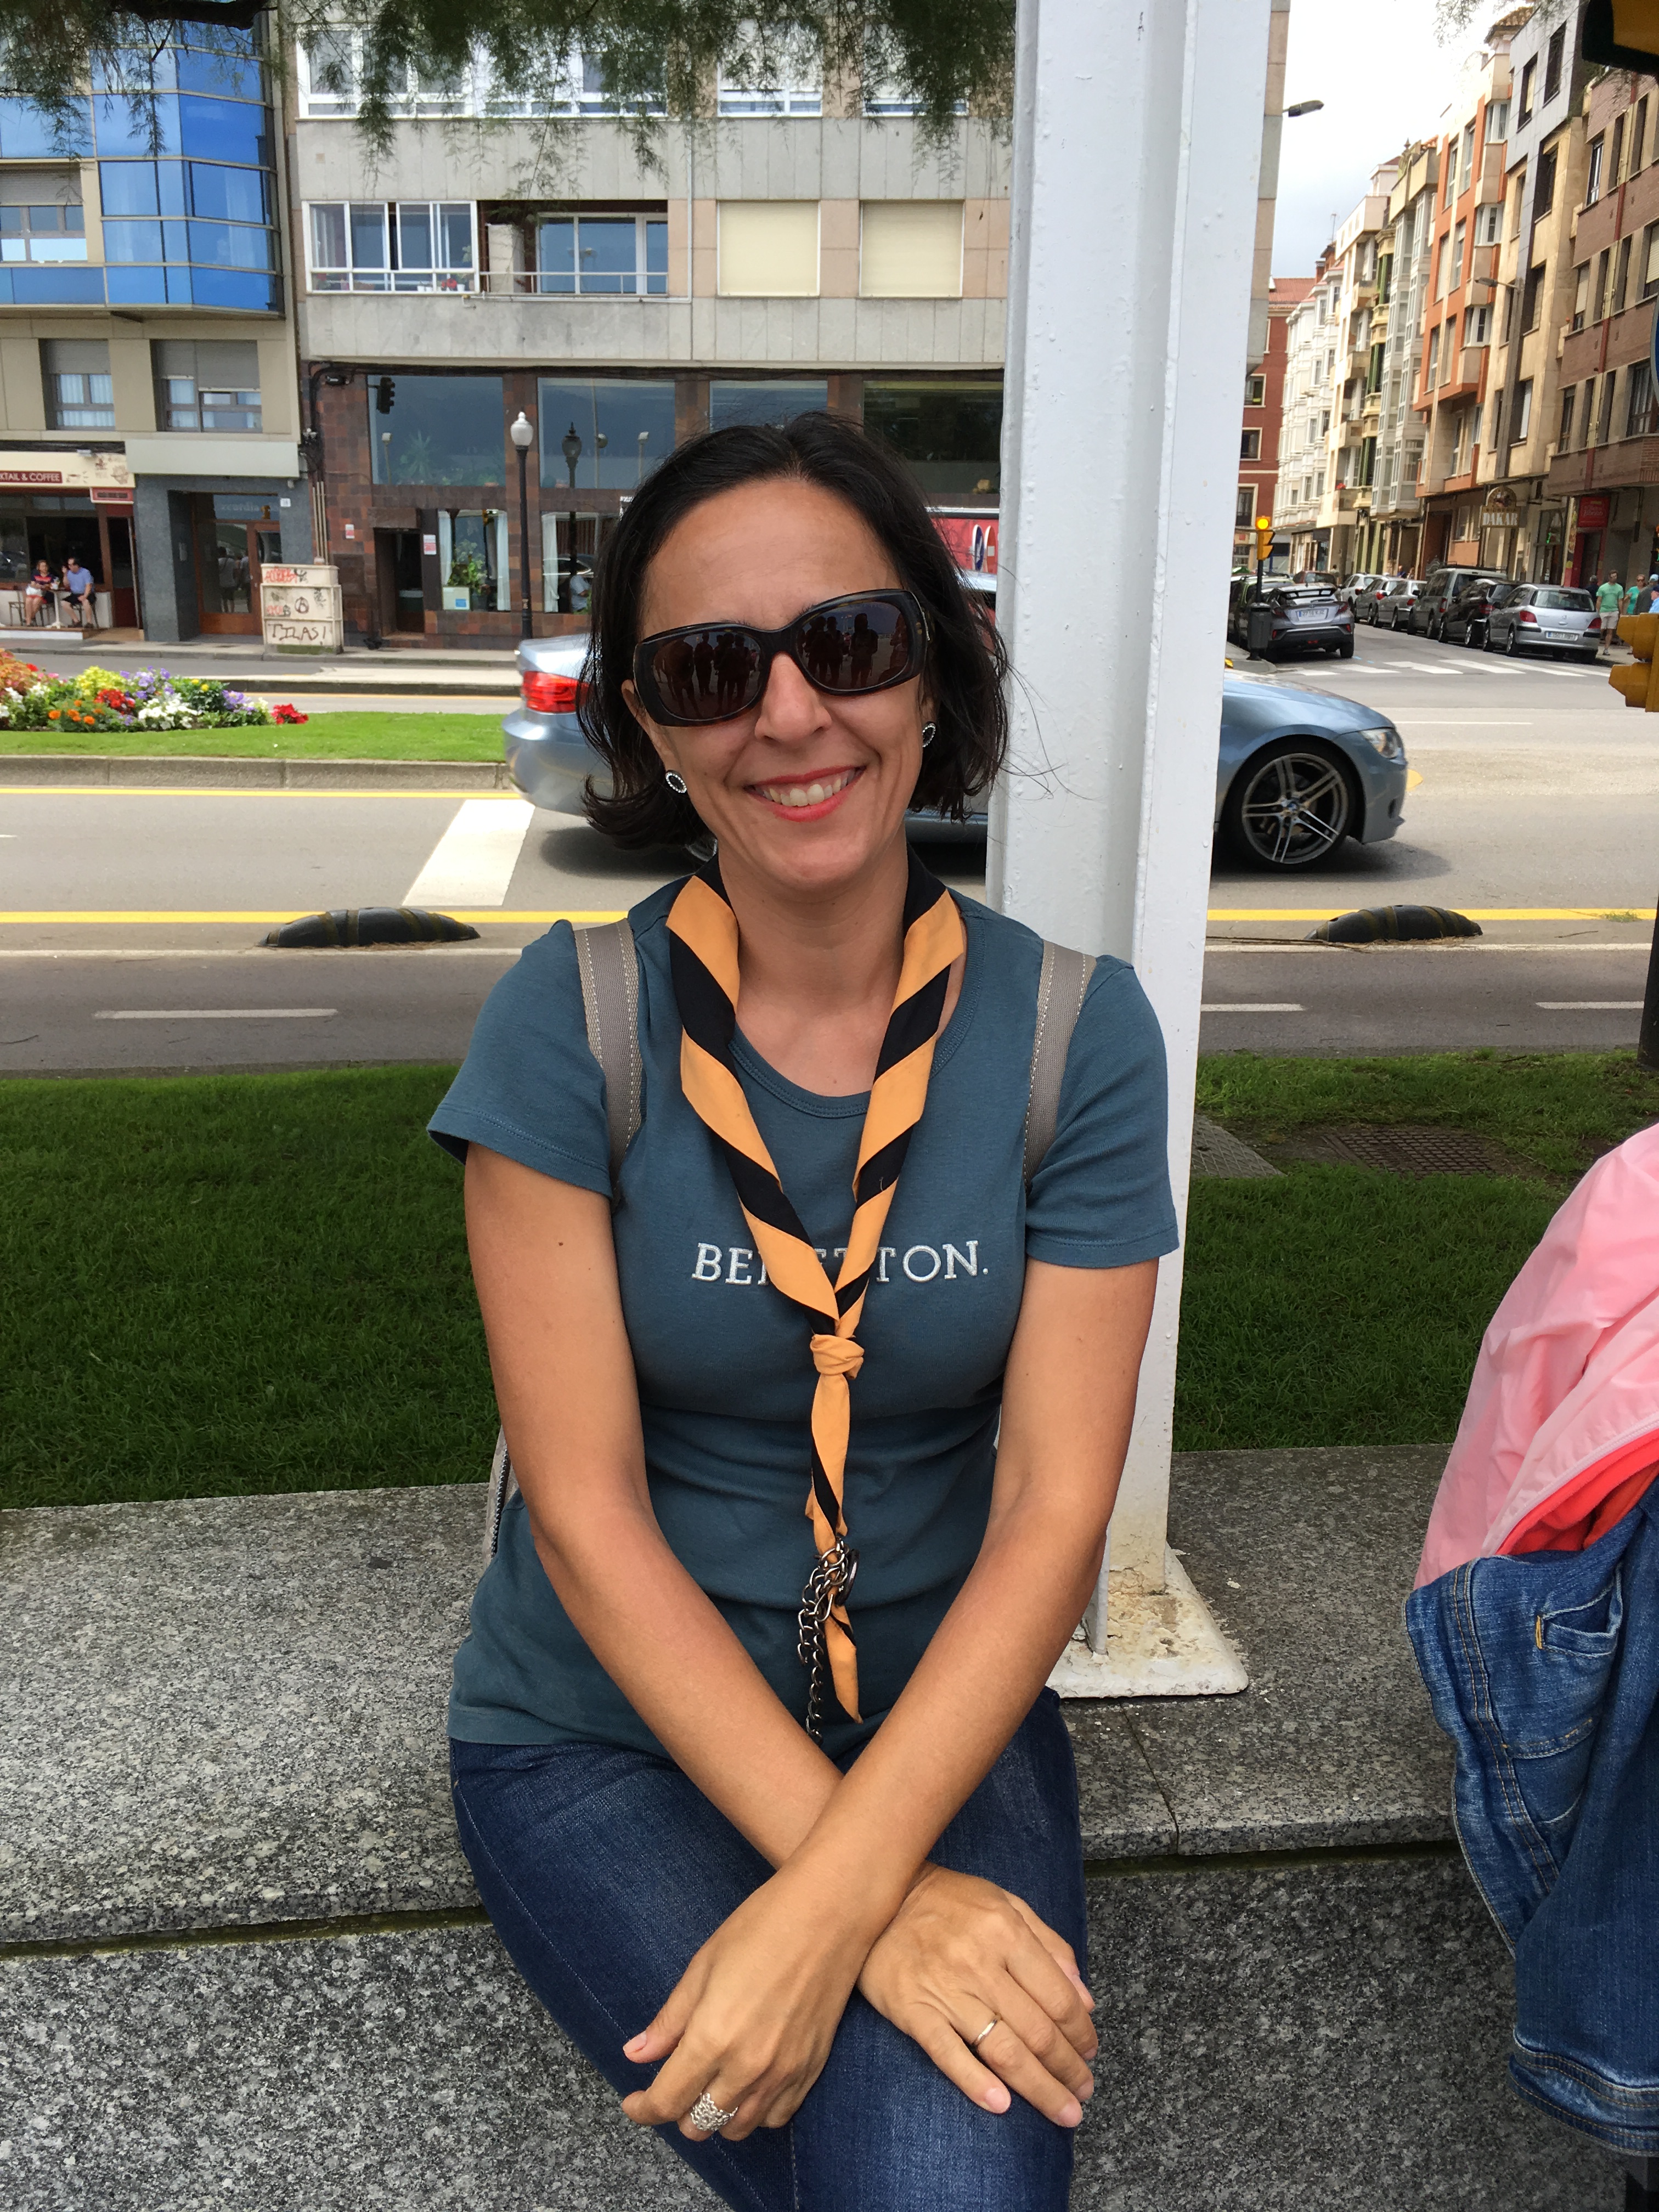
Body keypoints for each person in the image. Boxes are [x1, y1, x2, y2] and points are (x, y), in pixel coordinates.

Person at [430, 413, 1179, 2211]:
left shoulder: (1076, 1036)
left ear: (932, 668)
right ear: (648, 728)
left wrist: (838, 1896)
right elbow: (585, 1515)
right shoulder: (570, 1024)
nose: (787, 715)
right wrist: (874, 1909)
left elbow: (1055, 1506)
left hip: (937, 1718)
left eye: (845, 643)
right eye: (710, 669)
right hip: (607, 1728)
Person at [61, 554, 96, 629]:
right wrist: (65, 574)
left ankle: (89, 623)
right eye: (68, 565)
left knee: (86, 602)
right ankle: (77, 622)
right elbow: (66, 585)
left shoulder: (85, 572)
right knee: (64, 603)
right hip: (75, 594)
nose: (69, 567)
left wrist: (85, 596)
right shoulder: (69, 573)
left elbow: (88, 586)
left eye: (71, 565)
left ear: (76, 566)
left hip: (87, 593)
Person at [1594, 571, 1623, 655]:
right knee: (1601, 630)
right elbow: (1599, 600)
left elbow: (1620, 601)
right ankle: (1595, 646)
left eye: (1615, 576)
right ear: (1609, 577)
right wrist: (1597, 611)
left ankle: (1606, 649)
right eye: (1612, 576)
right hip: (1604, 610)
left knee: (1610, 631)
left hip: (1614, 611)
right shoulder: (1603, 588)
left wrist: (1621, 612)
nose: (1614, 578)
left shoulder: (1619, 588)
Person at [24, 557, 53, 626]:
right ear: (39, 568)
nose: (45, 568)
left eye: (46, 566)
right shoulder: (35, 575)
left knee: (36, 601)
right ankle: (29, 623)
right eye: (43, 566)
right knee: (28, 601)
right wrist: (41, 586)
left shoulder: (50, 576)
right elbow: (33, 584)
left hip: (44, 595)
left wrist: (42, 586)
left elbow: (52, 585)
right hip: (33, 593)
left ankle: (28, 619)